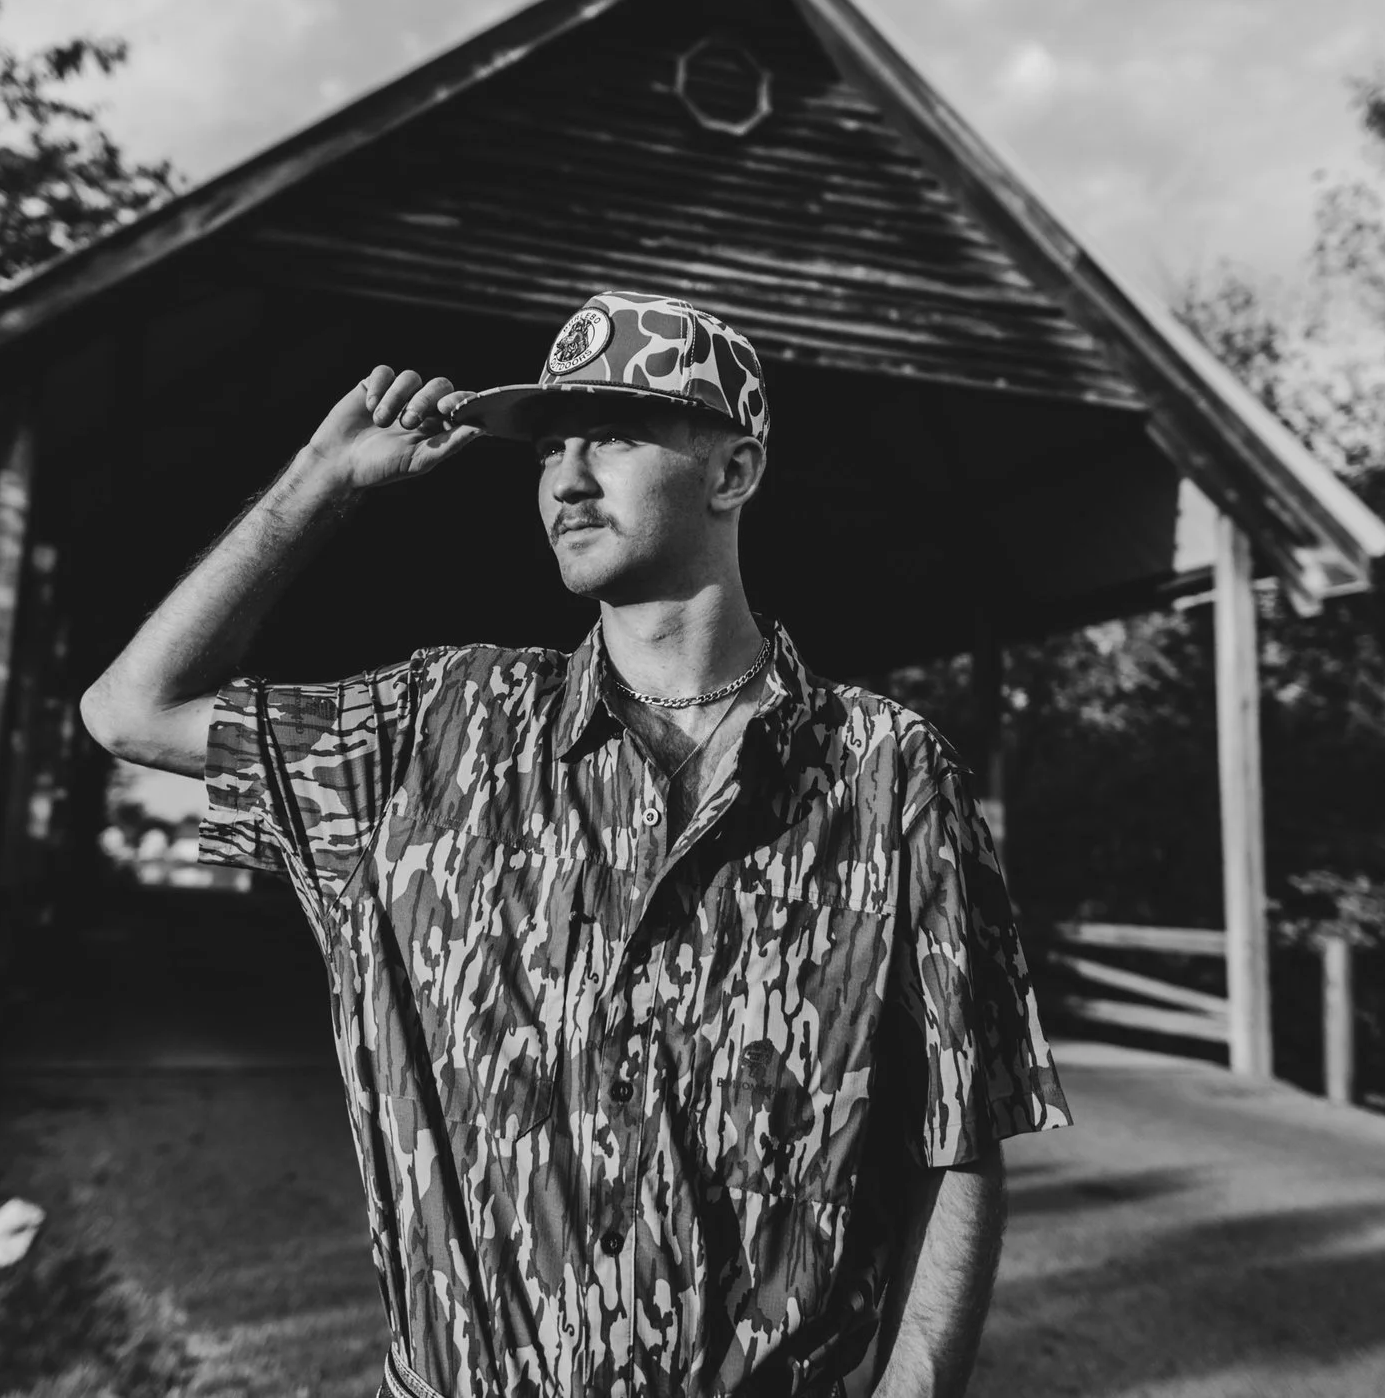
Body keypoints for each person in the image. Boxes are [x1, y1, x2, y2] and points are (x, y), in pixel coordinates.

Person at [82, 291, 1069, 1398]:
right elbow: (131, 709)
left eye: (611, 431)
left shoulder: (886, 770)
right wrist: (318, 483)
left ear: (732, 472)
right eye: (551, 445)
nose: (565, 476)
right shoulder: (432, 731)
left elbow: (958, 1129)